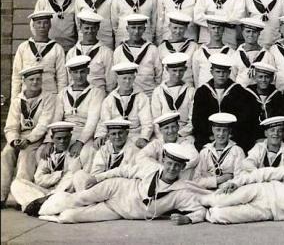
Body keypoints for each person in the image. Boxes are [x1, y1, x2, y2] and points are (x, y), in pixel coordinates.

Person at [37, 143, 207, 225]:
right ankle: (38, 208)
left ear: (183, 167)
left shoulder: (181, 191)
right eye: (169, 163)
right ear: (164, 161)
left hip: (118, 211)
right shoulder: (151, 167)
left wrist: (187, 219)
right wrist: (98, 178)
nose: (172, 168)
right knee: (76, 200)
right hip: (117, 188)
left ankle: (50, 210)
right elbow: (123, 171)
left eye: (177, 165)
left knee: (69, 217)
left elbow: (199, 211)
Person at [1, 66, 56, 208]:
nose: (35, 82)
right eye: (31, 79)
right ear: (25, 81)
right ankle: (1, 195)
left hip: (38, 137)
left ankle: (23, 197)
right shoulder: (17, 100)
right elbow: (11, 126)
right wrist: (14, 140)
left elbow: (44, 123)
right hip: (20, 136)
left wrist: (29, 139)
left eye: (38, 79)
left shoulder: (48, 98)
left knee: (26, 155)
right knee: (6, 153)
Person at [11, 122, 81, 215]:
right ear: (52, 138)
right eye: (58, 138)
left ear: (70, 136)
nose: (62, 141)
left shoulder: (73, 152)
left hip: (60, 193)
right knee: (17, 184)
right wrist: (59, 174)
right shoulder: (48, 152)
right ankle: (42, 204)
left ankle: (37, 205)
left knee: (72, 177)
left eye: (65, 138)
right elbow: (39, 179)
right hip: (44, 193)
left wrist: (50, 176)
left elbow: (70, 178)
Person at [191, 53, 255, 152]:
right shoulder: (202, 92)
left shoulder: (239, 91)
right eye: (218, 72)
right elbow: (198, 119)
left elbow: (244, 118)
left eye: (224, 72)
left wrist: (229, 135)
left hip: (233, 137)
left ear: (229, 73)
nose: (221, 75)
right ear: (211, 72)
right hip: (209, 137)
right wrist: (212, 135)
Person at [53, 55, 105, 166]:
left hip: (84, 133)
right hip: (65, 133)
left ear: (88, 71)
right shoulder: (63, 93)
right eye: (75, 72)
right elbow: (56, 118)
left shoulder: (96, 92)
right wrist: (49, 140)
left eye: (82, 72)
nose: (79, 76)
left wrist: (80, 142)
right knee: (46, 155)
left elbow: (92, 121)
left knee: (85, 155)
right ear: (70, 73)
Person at [95, 63, 154, 151]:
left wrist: (144, 137)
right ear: (117, 79)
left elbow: (147, 122)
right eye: (124, 78)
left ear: (134, 78)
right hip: (116, 136)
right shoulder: (109, 100)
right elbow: (104, 121)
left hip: (135, 135)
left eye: (130, 78)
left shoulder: (142, 97)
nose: (127, 81)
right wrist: (99, 136)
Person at [12, 11, 68, 98]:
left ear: (50, 25)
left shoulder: (57, 48)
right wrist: (15, 99)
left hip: (49, 95)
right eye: (39, 23)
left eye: (45, 23)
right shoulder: (23, 47)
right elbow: (16, 77)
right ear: (33, 25)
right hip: (28, 95)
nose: (42, 26)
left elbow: (62, 78)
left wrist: (60, 101)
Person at [191, 113, 246, 190]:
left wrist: (230, 184)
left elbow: (240, 177)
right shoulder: (205, 152)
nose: (221, 134)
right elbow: (196, 180)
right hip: (206, 191)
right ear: (213, 130)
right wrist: (220, 179)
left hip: (229, 191)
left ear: (229, 131)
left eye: (225, 130)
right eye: (218, 130)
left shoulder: (237, 151)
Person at [112, 14, 162, 97]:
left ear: (144, 29)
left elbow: (159, 75)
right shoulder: (119, 50)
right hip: (126, 95)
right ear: (127, 29)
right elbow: (114, 76)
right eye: (133, 27)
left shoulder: (152, 49)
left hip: (148, 94)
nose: (136, 31)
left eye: (140, 28)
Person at [151, 53, 195, 146]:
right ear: (167, 69)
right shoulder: (158, 91)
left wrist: (180, 134)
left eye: (181, 70)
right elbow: (156, 119)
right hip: (164, 134)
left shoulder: (191, 91)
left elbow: (192, 120)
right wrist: (162, 137)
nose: (177, 74)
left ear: (185, 69)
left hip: (184, 135)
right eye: (174, 70)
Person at [136, 113, 196, 180]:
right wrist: (162, 168)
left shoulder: (185, 142)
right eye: (166, 128)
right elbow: (140, 157)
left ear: (178, 127)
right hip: (159, 178)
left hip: (178, 179)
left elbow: (194, 158)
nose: (170, 131)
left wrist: (172, 169)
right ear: (161, 130)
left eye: (173, 127)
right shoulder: (157, 143)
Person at [68, 10, 115, 93]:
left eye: (93, 28)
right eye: (86, 28)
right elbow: (69, 79)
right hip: (76, 96)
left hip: (98, 96)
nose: (90, 31)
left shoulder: (106, 52)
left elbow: (111, 82)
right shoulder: (72, 53)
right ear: (80, 27)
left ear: (98, 28)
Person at [245, 63, 284, 143]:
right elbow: (245, 122)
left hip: (274, 137)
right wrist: (256, 139)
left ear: (271, 79)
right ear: (255, 78)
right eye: (260, 77)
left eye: (267, 77)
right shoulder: (246, 96)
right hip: (252, 139)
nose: (263, 80)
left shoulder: (277, 96)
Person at [191, 14, 234, 86]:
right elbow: (196, 76)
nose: (216, 31)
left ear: (223, 29)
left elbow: (232, 76)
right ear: (208, 29)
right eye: (213, 28)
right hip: (204, 92)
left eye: (219, 28)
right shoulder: (199, 53)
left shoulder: (231, 53)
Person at [157, 11, 197, 87]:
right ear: (169, 27)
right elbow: (159, 72)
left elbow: (195, 71)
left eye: (181, 28)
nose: (178, 31)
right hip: (167, 88)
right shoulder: (162, 47)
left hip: (187, 87)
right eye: (175, 28)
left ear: (186, 28)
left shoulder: (193, 46)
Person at [234, 18, 274, 88]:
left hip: (258, 94)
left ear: (259, 33)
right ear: (242, 32)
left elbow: (272, 78)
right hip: (240, 94)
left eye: (254, 32)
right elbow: (232, 77)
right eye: (248, 31)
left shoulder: (267, 55)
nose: (251, 34)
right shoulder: (235, 55)